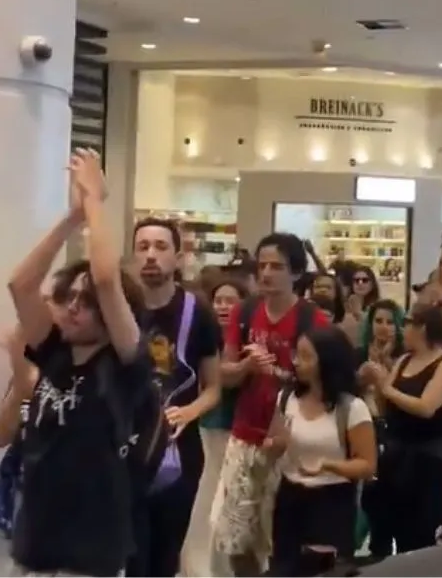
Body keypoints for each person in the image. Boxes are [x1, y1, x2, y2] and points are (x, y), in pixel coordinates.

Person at [8, 148, 148, 577]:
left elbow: (106, 278)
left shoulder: (126, 361)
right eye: (67, 298)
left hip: (92, 548)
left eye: (85, 304)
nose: (72, 308)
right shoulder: (54, 350)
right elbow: (20, 284)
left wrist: (96, 202)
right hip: (38, 537)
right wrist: (71, 217)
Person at [216, 233, 331, 576]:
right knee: (235, 535)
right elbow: (226, 373)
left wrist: (279, 372)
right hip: (243, 435)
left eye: (277, 266)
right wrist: (247, 367)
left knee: (278, 537)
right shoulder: (245, 311)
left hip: (290, 443)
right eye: (262, 265)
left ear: (296, 272)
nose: (266, 273)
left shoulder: (313, 321)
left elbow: (321, 386)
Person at [128, 218, 223, 577]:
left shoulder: (197, 312)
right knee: (130, 553)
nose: (151, 255)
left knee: (166, 555)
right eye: (143, 247)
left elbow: (213, 386)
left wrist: (189, 411)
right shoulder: (118, 306)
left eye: (161, 247)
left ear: (178, 257)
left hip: (179, 451)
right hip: (126, 447)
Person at [264, 327, 377, 576]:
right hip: (289, 498)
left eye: (306, 356)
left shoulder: (351, 408)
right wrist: (273, 447)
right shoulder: (286, 398)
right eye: (296, 354)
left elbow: (367, 465)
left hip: (331, 501)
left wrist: (328, 465)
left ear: (327, 361)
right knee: (284, 569)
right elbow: (275, 444)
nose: (297, 362)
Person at [359, 304, 442, 554]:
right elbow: (388, 403)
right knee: (382, 520)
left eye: (406, 323)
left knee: (417, 532)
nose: (401, 330)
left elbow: (426, 407)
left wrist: (386, 387)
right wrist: (376, 381)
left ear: (423, 328)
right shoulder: (405, 360)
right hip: (396, 453)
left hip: (428, 460)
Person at [182, 278, 251, 578]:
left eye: (230, 300)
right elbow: (221, 376)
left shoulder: (246, 339)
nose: (223, 306)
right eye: (218, 300)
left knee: (228, 510)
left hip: (238, 433)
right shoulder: (204, 338)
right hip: (205, 428)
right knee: (203, 507)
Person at [353, 299, 407, 561]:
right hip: (357, 427)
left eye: (389, 322)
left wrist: (385, 373)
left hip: (387, 430)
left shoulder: (405, 360)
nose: (384, 328)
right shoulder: (358, 353)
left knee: (380, 493)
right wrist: (360, 378)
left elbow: (398, 404)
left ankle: (380, 547)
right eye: (378, 321)